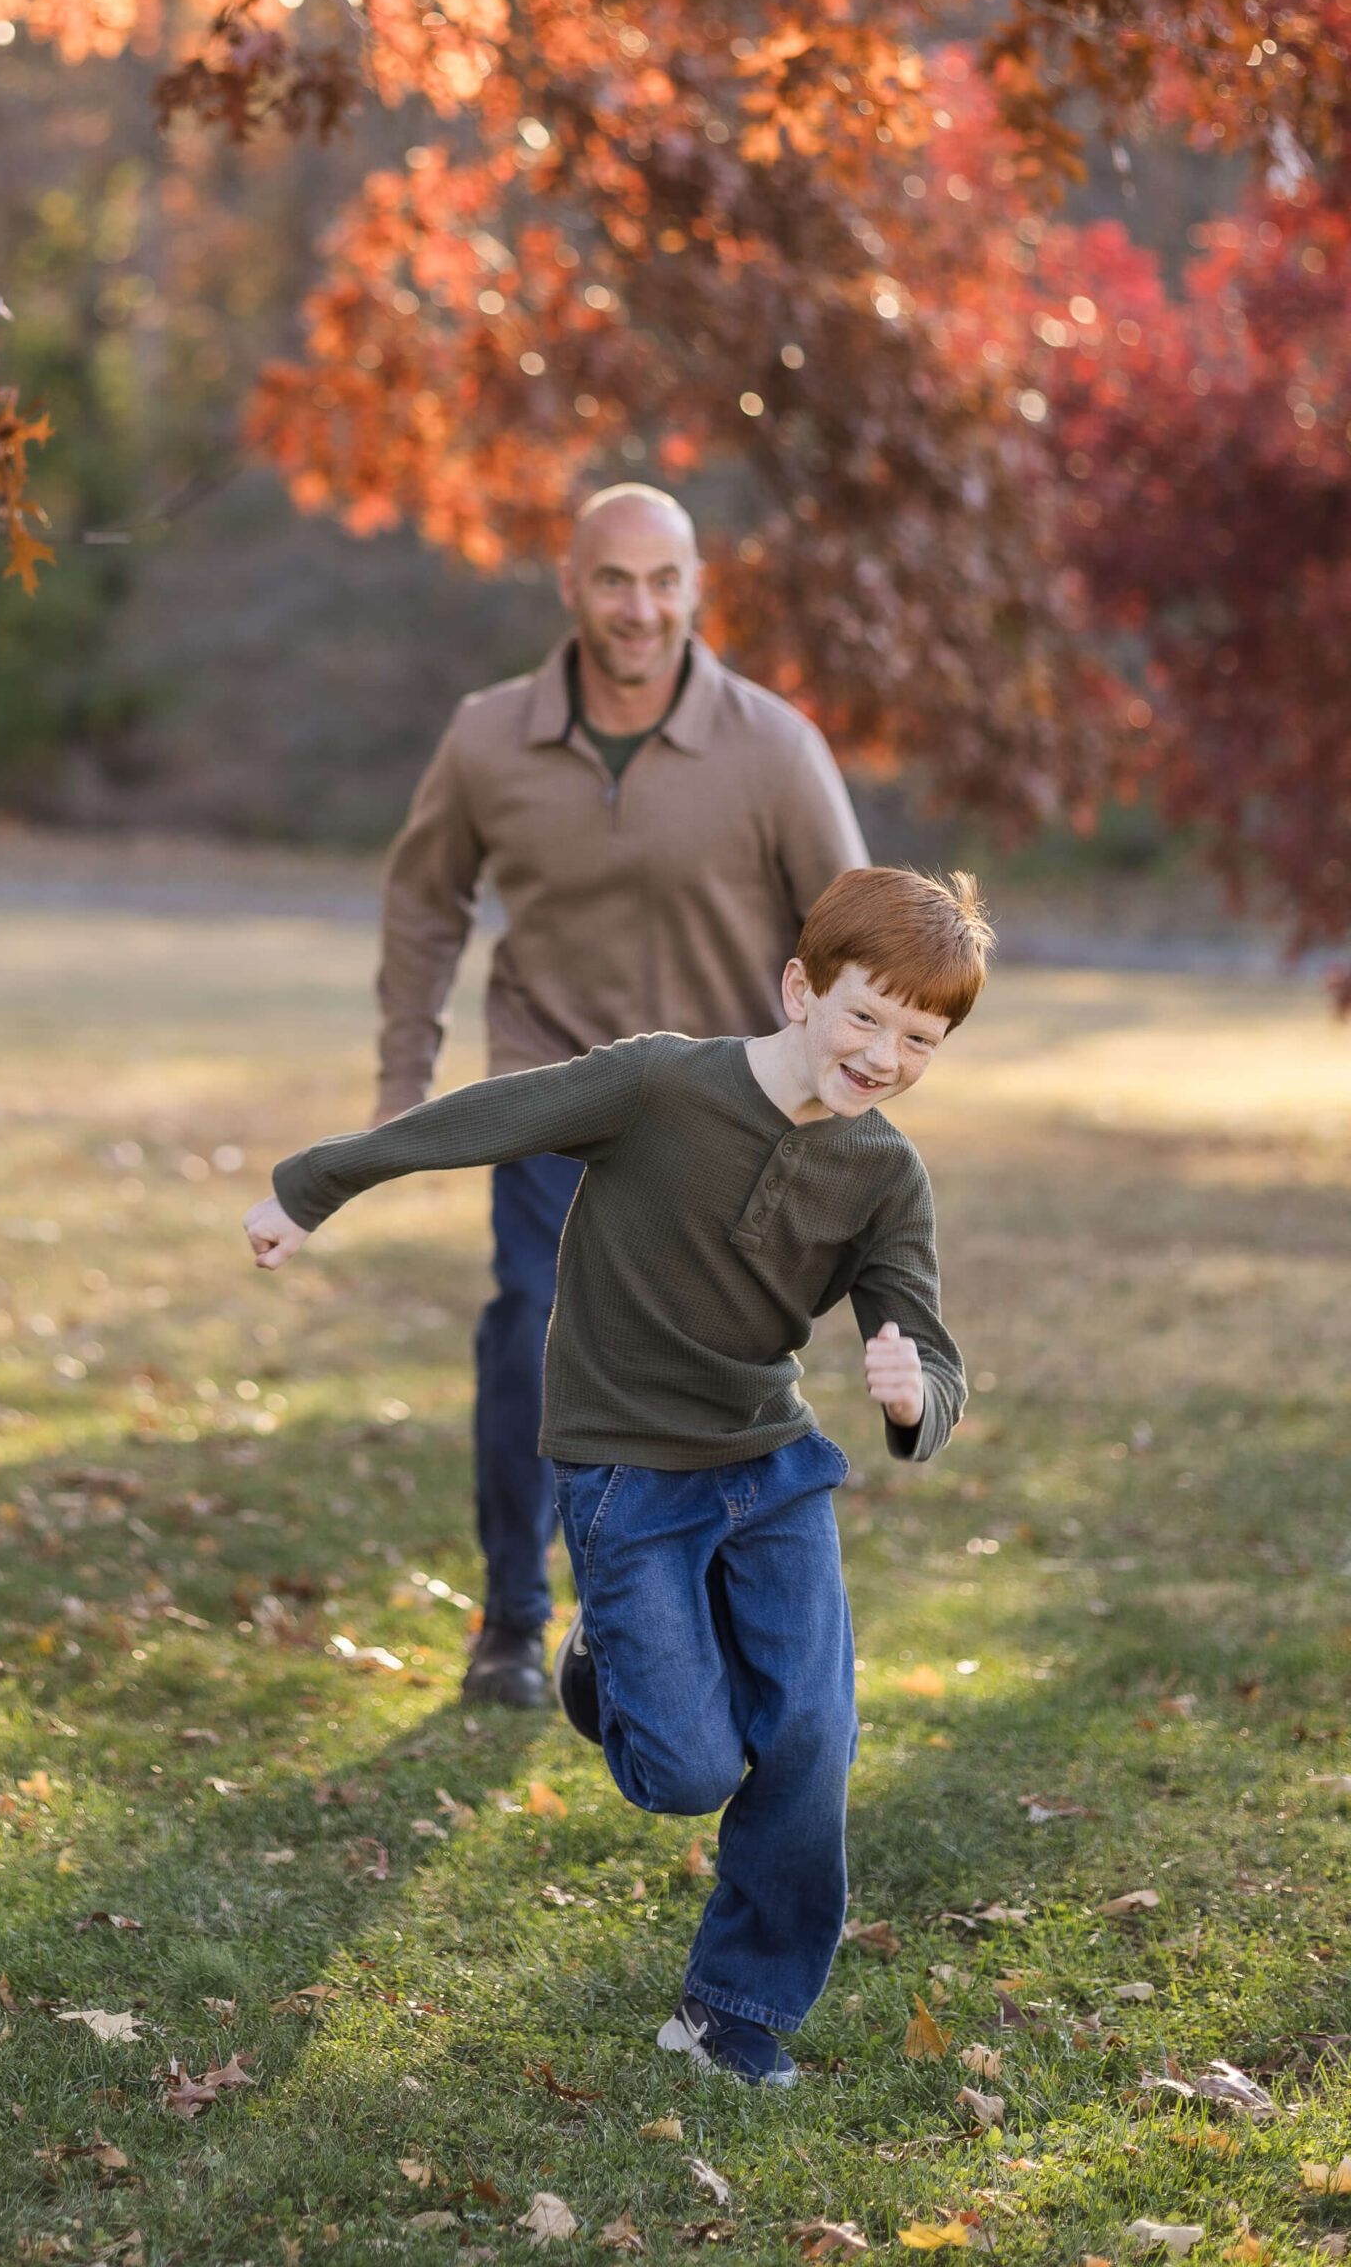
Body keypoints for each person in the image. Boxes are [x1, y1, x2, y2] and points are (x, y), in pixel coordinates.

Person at [245, 865, 990, 2086]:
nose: (884, 1053)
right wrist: (314, 1185)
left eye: (920, 1038)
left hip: (767, 1467)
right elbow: (484, 1115)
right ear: (799, 988)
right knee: (686, 1771)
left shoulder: (883, 1175)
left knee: (811, 1730)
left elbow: (927, 1343)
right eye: (865, 1015)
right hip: (626, 1474)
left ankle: (727, 2012)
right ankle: (601, 1666)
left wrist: (916, 1398)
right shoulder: (658, 1083)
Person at [374, 482, 867, 1708]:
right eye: (613, 579)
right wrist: (402, 1076)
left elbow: (853, 923)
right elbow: (422, 895)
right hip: (551, 1095)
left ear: (695, 588)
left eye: (663, 581)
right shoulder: (490, 737)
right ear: (569, 586)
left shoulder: (769, 744)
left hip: (723, 1114)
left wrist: (839, 1078)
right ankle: (511, 1617)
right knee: (529, 1338)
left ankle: (634, 1610)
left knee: (697, 1383)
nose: (638, 608)